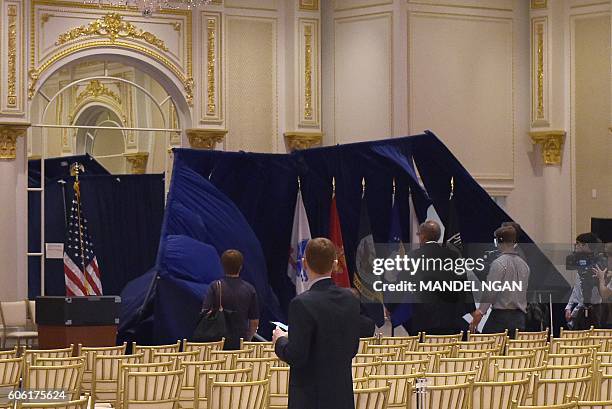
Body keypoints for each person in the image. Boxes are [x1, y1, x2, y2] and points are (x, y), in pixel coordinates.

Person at [273, 238, 360, 409]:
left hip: (310, 398)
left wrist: (280, 341)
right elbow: (351, 348)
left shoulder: (301, 303)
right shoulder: (351, 300)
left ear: (304, 263)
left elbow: (296, 355)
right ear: (335, 264)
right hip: (341, 395)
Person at [409, 220, 475, 336]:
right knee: (446, 351)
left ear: (423, 236)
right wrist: (472, 310)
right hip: (449, 318)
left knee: (423, 353)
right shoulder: (453, 256)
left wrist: (391, 307)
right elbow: (463, 285)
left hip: (422, 318)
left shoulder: (413, 257)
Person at [471, 226, 530, 337]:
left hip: (500, 319)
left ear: (498, 241)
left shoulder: (498, 264)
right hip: (519, 318)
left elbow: (491, 291)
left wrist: (480, 312)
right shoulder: (524, 265)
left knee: (486, 349)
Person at [201, 249, 259, 349]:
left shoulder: (215, 286)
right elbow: (254, 322)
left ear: (222, 266)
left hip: (217, 341)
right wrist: (247, 339)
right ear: (241, 267)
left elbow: (204, 313)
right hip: (240, 341)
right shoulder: (250, 289)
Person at [564, 233, 606, 330]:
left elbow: (591, 293)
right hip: (580, 308)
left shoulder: (598, 264)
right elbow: (577, 287)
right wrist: (569, 306)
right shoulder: (581, 262)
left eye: (578, 244)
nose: (576, 247)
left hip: (593, 308)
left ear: (585, 245)